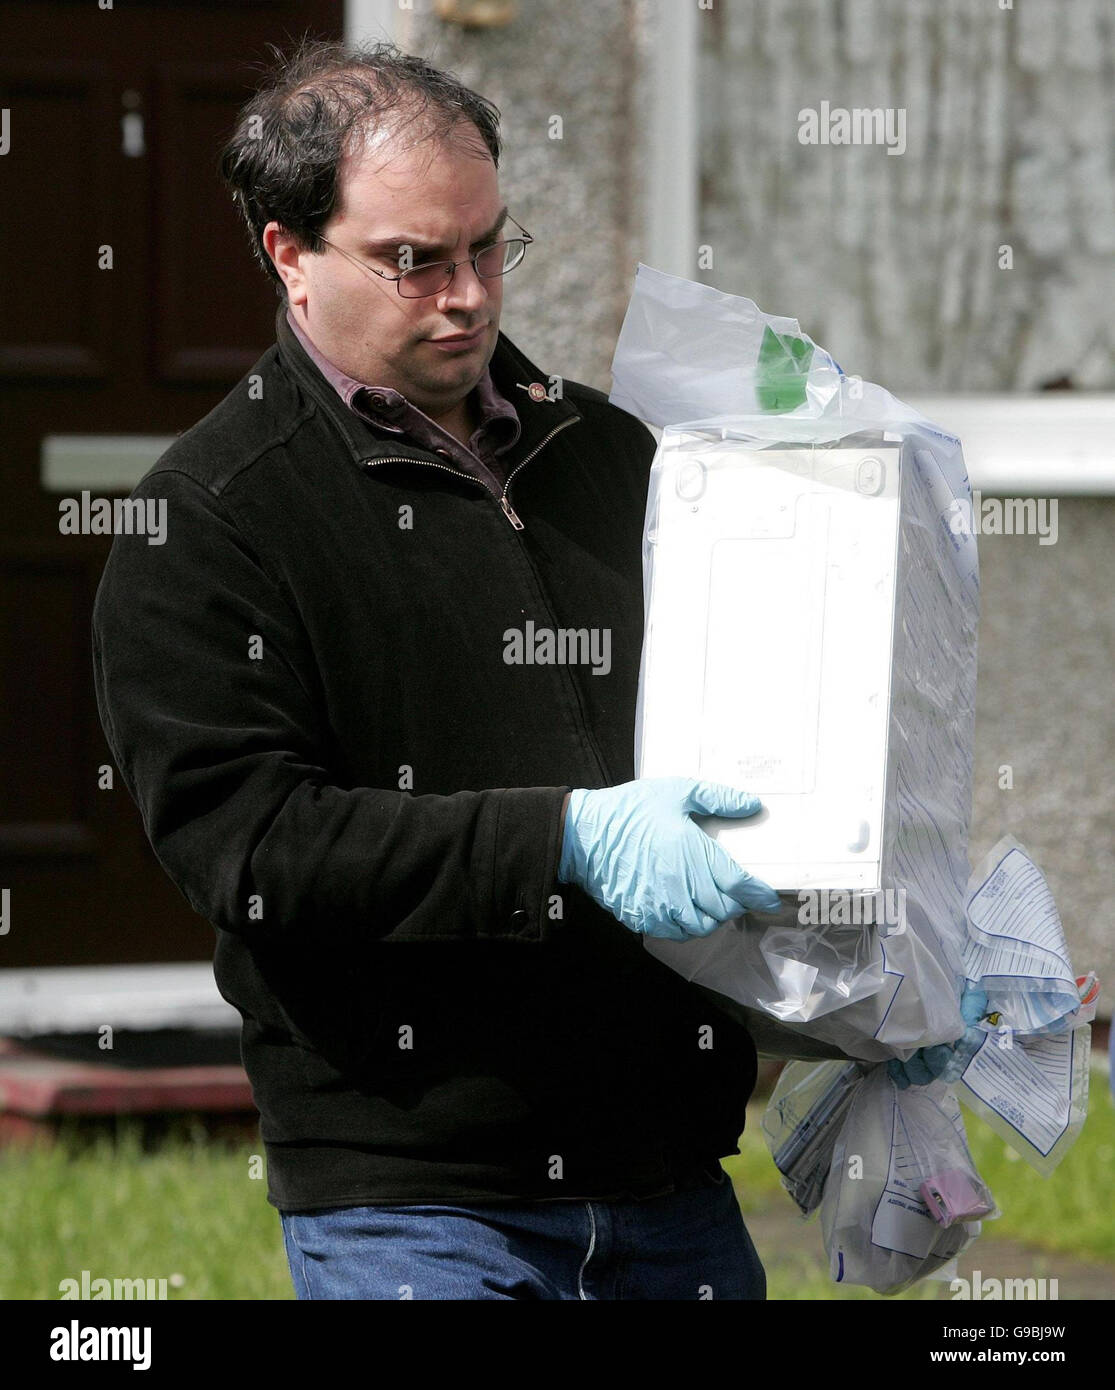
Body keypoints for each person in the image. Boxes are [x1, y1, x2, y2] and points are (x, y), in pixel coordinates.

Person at [91, 39, 785, 1301]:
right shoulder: (205, 523)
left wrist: (885, 977)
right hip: (412, 1205)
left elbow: (741, 753)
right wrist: (561, 840)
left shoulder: (612, 456)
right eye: (413, 259)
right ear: (287, 255)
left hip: (669, 1178)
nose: (466, 294)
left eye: (486, 246)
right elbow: (256, 852)